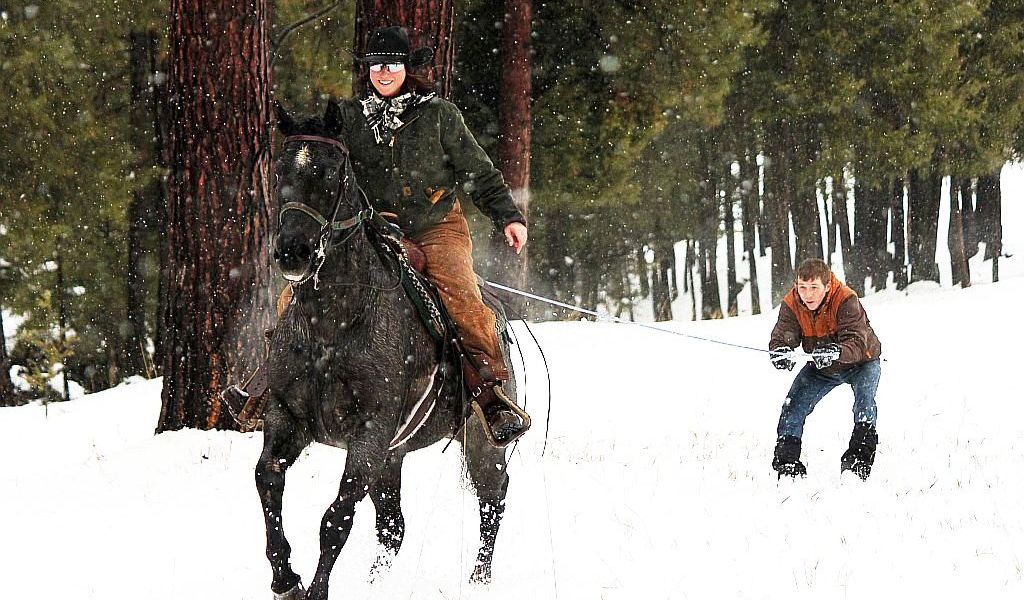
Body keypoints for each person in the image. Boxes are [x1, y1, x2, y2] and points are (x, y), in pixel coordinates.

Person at [318, 26, 528, 446]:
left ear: (407, 69)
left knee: (460, 292)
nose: (383, 72)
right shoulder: (349, 118)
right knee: (301, 289)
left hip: (436, 227)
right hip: (370, 229)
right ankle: (268, 387)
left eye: (391, 65)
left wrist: (507, 216)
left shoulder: (439, 114)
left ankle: (490, 394)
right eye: (376, 66)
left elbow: (479, 172)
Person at [768, 258, 882, 479]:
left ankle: (858, 460)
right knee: (793, 405)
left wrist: (835, 352)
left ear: (827, 286)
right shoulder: (792, 303)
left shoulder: (846, 299)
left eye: (813, 288)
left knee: (865, 403)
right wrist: (781, 351)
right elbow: (783, 335)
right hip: (821, 367)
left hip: (861, 362)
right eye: (802, 287)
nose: (807, 295)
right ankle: (787, 463)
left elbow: (857, 342)